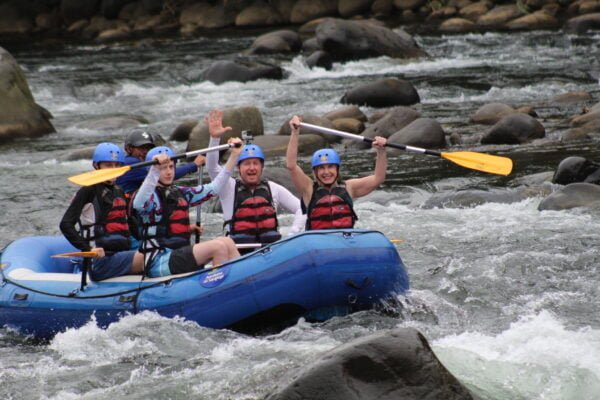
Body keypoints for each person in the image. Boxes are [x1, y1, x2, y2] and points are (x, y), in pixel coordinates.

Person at [132, 140, 243, 278]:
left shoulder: (179, 192)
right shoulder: (148, 196)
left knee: (227, 242)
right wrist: (154, 169)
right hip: (158, 261)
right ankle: (219, 288)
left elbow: (214, 188)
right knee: (217, 247)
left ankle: (243, 281)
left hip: (179, 255)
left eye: (171, 167)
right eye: (163, 168)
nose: (168, 172)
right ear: (151, 171)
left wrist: (234, 156)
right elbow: (138, 204)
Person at [205, 109, 304, 245]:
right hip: (238, 252)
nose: (252, 168)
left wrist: (293, 232)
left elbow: (301, 209)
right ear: (238, 168)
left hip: (269, 250)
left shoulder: (273, 188)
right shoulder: (228, 188)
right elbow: (212, 167)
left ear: (262, 167)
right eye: (247, 164)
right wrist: (215, 138)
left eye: (255, 163)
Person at [286, 115, 388, 230]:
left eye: (330, 167)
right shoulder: (308, 188)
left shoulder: (349, 187)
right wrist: (295, 132)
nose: (326, 172)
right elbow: (291, 165)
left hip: (345, 241)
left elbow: (378, 178)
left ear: (337, 169)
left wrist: (381, 151)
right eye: (321, 168)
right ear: (315, 171)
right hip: (318, 242)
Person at [60, 143, 144, 281]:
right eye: (108, 165)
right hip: (100, 261)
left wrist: (147, 241)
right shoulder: (88, 191)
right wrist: (88, 248)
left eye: (116, 165)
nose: (113, 169)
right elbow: (66, 224)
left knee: (154, 252)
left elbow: (130, 224)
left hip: (122, 254)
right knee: (149, 258)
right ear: (96, 166)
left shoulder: (119, 190)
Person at [117, 129, 202, 195]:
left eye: (148, 148)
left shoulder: (137, 161)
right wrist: (194, 165)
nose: (145, 151)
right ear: (128, 149)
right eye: (141, 148)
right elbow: (164, 175)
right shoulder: (131, 163)